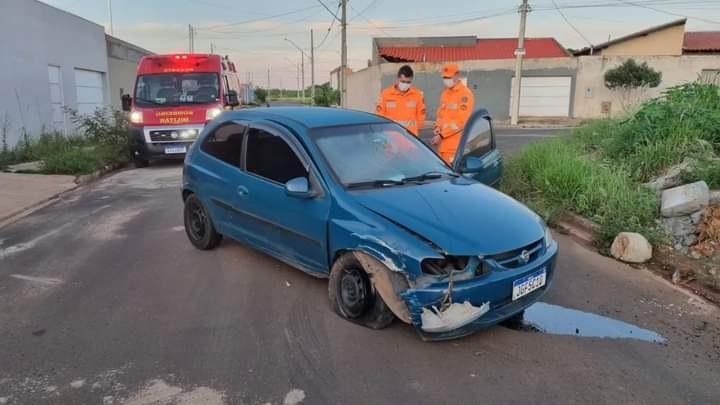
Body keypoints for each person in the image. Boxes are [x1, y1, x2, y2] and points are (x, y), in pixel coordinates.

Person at [432, 63, 474, 164]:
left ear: (457, 75)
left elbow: (461, 122)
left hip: (455, 147)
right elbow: (441, 114)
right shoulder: (445, 94)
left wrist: (442, 135)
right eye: (444, 77)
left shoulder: (465, 94)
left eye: (448, 77)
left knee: (453, 177)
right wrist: (437, 127)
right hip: (442, 146)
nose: (446, 80)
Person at [375, 65, 426, 137]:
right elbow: (379, 117)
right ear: (397, 78)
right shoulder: (386, 94)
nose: (405, 84)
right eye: (403, 81)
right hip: (391, 138)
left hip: (410, 138)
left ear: (412, 80)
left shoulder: (417, 95)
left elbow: (421, 118)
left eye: (408, 82)